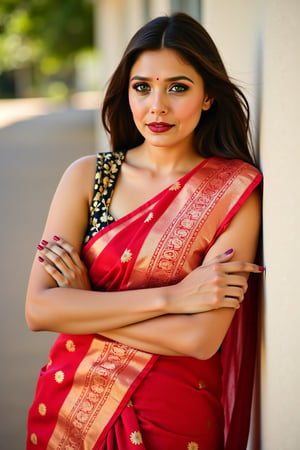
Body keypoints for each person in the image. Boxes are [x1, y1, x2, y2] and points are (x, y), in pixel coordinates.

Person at [26, 12, 263, 450]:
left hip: (175, 417)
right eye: (142, 87)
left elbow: (199, 338)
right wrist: (173, 299)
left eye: (177, 87)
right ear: (126, 91)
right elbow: (39, 310)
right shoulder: (88, 178)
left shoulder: (233, 192)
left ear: (208, 96)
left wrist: (86, 306)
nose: (157, 106)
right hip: (71, 409)